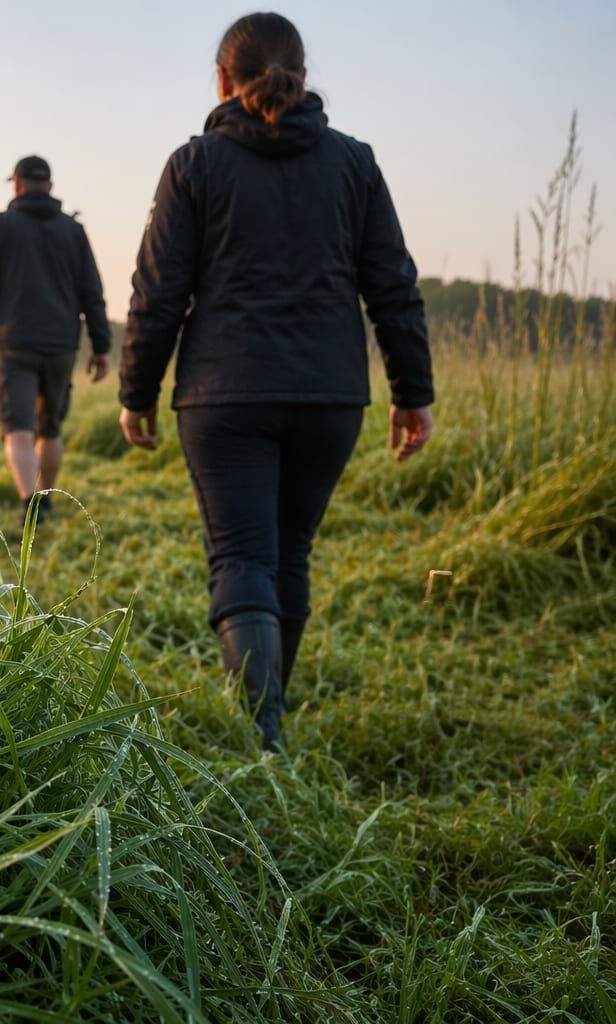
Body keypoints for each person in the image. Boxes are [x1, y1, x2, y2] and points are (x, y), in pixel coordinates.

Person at [117, 12, 435, 751]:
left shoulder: (193, 165)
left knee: (243, 556)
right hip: (330, 395)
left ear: (222, 80)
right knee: (289, 553)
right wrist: (412, 392)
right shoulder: (354, 163)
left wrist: (137, 393)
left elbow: (157, 294)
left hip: (224, 394)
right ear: (301, 73)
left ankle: (262, 733)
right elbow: (393, 286)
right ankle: (272, 720)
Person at [0, 155, 111, 527]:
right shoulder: (73, 231)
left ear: (16, 184)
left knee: (19, 428)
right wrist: (101, 346)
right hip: (61, 344)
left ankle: (30, 503)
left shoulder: (0, 227)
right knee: (51, 428)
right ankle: (46, 501)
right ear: (50, 186)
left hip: (14, 343)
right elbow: (92, 293)